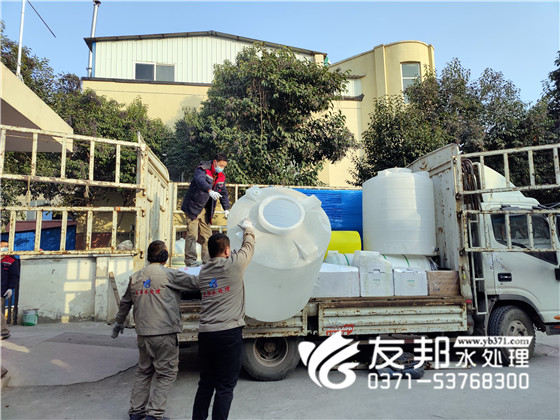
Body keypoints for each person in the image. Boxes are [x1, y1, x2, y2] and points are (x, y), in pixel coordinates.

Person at [112, 240, 199, 420]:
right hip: (165, 333)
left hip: (143, 334)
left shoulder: (135, 277)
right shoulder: (170, 274)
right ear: (165, 256)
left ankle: (136, 412)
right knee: (167, 373)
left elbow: (125, 302)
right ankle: (154, 414)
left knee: (144, 371)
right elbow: (196, 283)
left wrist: (118, 323)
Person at [192, 217, 255, 420]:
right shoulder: (234, 266)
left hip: (206, 335)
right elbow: (248, 247)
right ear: (227, 251)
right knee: (225, 387)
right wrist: (248, 229)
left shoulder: (203, 273)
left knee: (206, 383)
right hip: (229, 334)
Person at [181, 154, 231, 267]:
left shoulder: (221, 176)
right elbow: (200, 181)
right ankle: (190, 261)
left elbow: (223, 193)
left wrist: (226, 208)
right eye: (221, 165)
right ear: (215, 162)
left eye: (224, 166)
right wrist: (209, 190)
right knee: (192, 235)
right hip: (193, 206)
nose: (222, 168)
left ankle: (207, 261)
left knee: (207, 236)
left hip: (207, 209)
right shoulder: (202, 169)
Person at [1, 240, 20, 340]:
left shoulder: (11, 260)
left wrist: (11, 288)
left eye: (6, 247)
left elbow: (14, 276)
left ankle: (4, 331)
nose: (4, 248)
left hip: (2, 289)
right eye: (3, 246)